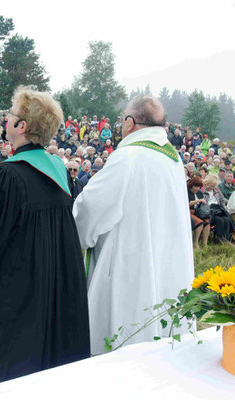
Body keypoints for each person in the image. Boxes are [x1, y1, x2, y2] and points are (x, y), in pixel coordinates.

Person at [0, 87, 90, 393]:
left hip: (13, 291)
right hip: (52, 285)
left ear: (21, 126)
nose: (7, 118)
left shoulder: (6, 176)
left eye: (11, 114)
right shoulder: (60, 174)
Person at [73, 96, 194, 355]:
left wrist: (74, 232)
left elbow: (90, 210)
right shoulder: (172, 158)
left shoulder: (128, 157)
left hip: (129, 267)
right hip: (166, 261)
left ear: (129, 123)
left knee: (124, 339)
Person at [188, 177, 211, 247]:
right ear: (191, 185)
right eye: (196, 186)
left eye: (199, 187)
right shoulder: (186, 192)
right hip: (189, 212)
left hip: (198, 212)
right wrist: (198, 201)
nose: (197, 188)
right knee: (199, 223)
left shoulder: (199, 193)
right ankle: (195, 243)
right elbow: (187, 204)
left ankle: (204, 243)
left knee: (207, 222)